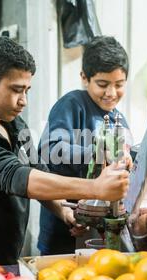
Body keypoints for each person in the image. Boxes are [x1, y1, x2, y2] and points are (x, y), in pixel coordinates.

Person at [0, 36, 129, 269]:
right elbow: (16, 176)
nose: (24, 100)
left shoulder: (14, 124)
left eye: (27, 90)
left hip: (3, 265)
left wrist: (62, 209)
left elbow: (36, 170)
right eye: (16, 90)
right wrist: (95, 188)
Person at [37, 36, 133, 255]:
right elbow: (51, 151)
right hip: (64, 230)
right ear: (84, 78)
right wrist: (99, 153)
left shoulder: (120, 121)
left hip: (102, 232)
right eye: (102, 84)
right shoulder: (72, 105)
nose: (111, 93)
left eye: (119, 85)